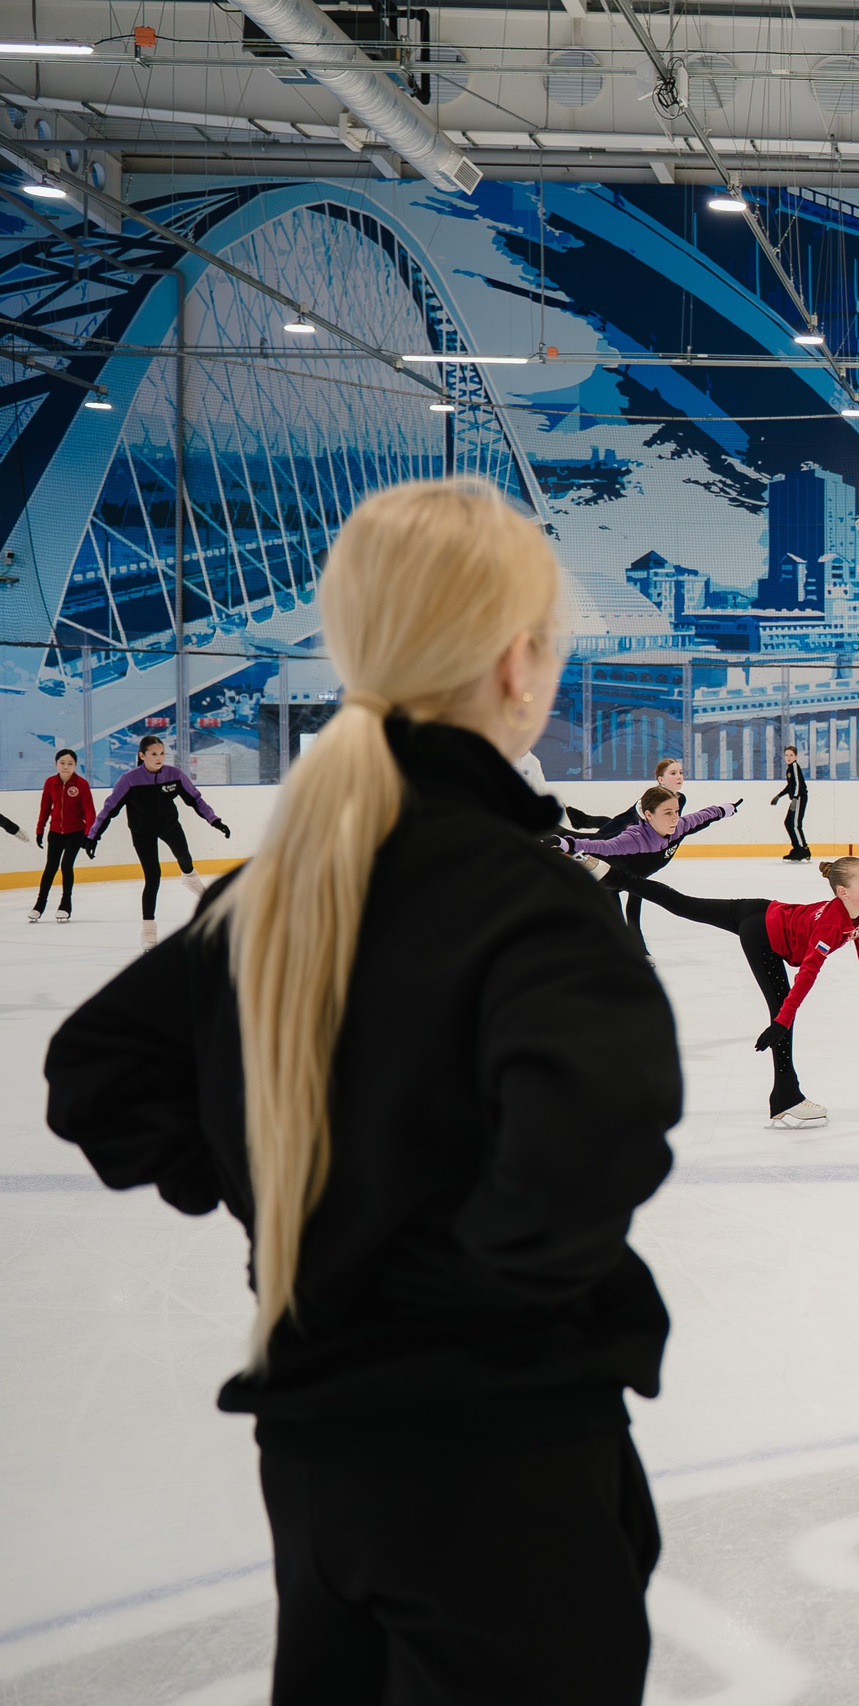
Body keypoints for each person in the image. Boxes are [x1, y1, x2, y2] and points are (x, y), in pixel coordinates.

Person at [44, 476, 681, 1704]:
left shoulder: (274, 890)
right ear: (517, 663)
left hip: (321, 1457)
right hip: (498, 1463)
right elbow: (575, 1165)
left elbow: (102, 1075)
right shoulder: (524, 900)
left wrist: (299, 1213)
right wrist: (426, 1291)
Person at [633, 856, 859, 1129]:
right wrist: (781, 1022)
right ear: (843, 892)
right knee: (685, 905)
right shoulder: (830, 924)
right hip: (762, 936)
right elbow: (808, 973)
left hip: (761, 910)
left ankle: (611, 875)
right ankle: (786, 1098)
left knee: (685, 905)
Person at [556, 790, 741, 960]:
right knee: (615, 916)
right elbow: (602, 846)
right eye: (668, 813)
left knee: (648, 901)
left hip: (636, 879)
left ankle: (633, 950)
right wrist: (569, 845)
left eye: (676, 811)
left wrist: (724, 810)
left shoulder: (679, 827)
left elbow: (702, 816)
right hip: (611, 877)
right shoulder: (635, 838)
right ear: (648, 815)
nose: (675, 818)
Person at [89, 733, 232, 946]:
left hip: (169, 827)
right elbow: (110, 808)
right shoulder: (129, 780)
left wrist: (215, 820)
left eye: (162, 753)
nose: (159, 757)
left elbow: (196, 800)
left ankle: (190, 878)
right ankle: (148, 927)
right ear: (142, 755)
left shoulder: (174, 775)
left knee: (185, 859)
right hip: (142, 832)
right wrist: (93, 836)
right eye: (154, 753)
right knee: (153, 876)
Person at [29, 748, 95, 923]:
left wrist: (90, 835)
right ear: (56, 764)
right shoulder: (50, 782)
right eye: (62, 763)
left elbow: (89, 810)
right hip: (56, 832)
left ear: (75, 765)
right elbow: (45, 808)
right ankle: (39, 905)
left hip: (75, 832)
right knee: (50, 867)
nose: (66, 766)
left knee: (66, 865)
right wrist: (39, 830)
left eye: (70, 763)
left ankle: (65, 905)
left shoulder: (81, 784)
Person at [566, 758, 685, 837]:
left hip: (634, 828)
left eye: (681, 772)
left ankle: (583, 820)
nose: (679, 777)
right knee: (599, 839)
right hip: (628, 821)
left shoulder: (681, 799)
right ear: (661, 779)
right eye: (673, 773)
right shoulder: (655, 795)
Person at [772, 745, 811, 862]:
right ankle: (796, 848)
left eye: (791, 755)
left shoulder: (794, 767)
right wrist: (779, 795)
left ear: (796, 756)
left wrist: (795, 798)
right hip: (796, 798)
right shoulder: (789, 768)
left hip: (799, 798)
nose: (788, 757)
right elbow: (790, 786)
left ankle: (803, 850)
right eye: (786, 755)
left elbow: (798, 784)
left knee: (795, 824)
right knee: (788, 823)